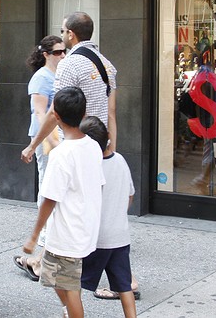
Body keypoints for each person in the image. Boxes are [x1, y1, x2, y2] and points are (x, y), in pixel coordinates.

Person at [23, 87, 104, 318]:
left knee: (70, 290)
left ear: (55, 116)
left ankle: (72, 312)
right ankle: (69, 312)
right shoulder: (92, 146)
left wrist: (34, 235)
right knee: (55, 278)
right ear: (84, 112)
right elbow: (98, 185)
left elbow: (50, 198)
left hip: (67, 234)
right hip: (82, 227)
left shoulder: (61, 154)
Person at [22, 12, 117, 161]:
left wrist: (32, 146)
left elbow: (55, 111)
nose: (62, 34)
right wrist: (112, 151)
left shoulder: (69, 64)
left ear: (71, 34)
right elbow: (111, 112)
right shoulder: (107, 64)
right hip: (101, 146)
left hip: (76, 146)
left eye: (62, 30)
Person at [14, 35, 66, 280]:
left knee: (55, 191)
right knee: (47, 190)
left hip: (59, 141)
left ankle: (48, 245)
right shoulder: (41, 78)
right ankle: (45, 243)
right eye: (57, 52)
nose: (62, 56)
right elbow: (39, 113)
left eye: (64, 51)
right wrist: (49, 143)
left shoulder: (58, 75)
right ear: (45, 54)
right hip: (48, 142)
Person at [79, 116, 138, 317]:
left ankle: (70, 314)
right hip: (120, 235)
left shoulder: (91, 168)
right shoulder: (120, 160)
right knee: (124, 286)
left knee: (74, 285)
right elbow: (130, 194)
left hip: (97, 239)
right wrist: (119, 212)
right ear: (109, 137)